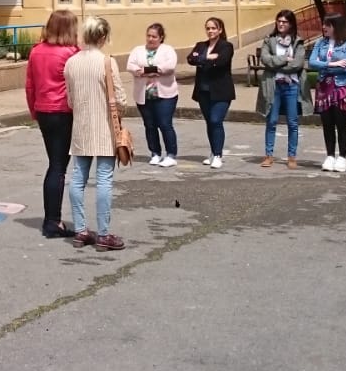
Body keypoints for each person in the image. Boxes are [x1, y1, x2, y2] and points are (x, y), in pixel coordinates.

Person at [63, 16, 128, 251]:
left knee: (78, 178)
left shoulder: (71, 63)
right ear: (102, 37)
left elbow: (70, 100)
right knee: (103, 180)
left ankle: (80, 230)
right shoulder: (107, 62)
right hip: (105, 129)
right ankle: (103, 234)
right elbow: (120, 99)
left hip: (80, 127)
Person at [24, 10, 80, 238]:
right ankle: (53, 221)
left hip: (43, 110)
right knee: (59, 167)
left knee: (54, 164)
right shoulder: (71, 53)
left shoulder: (36, 51)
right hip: (64, 111)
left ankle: (52, 218)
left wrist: (34, 111)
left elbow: (30, 85)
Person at [256, 10, 308, 169]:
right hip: (274, 85)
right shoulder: (269, 40)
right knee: (271, 121)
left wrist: (276, 65)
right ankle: (268, 155)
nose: (281, 24)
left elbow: (297, 64)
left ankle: (291, 157)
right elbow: (265, 59)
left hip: (291, 86)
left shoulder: (297, 42)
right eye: (279, 21)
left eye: (285, 21)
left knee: (292, 122)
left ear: (291, 23)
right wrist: (285, 59)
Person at [307, 14, 346, 172]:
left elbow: (345, 67)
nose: (324, 28)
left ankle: (342, 157)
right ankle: (329, 156)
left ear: (337, 26)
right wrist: (332, 63)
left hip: (341, 87)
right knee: (327, 123)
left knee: (341, 123)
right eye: (324, 24)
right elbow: (311, 62)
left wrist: (324, 66)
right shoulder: (320, 43)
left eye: (328, 25)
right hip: (323, 88)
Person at [127, 22, 180, 167]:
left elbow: (169, 67)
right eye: (148, 36)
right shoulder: (138, 50)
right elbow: (130, 66)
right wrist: (152, 70)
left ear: (161, 37)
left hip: (165, 94)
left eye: (154, 36)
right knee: (149, 125)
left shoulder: (167, 50)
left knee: (164, 124)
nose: (150, 39)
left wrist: (146, 70)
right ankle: (155, 152)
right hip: (144, 95)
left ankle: (171, 154)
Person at [187, 17, 236, 169]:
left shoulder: (226, 46)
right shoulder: (201, 45)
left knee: (216, 120)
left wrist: (202, 59)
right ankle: (213, 152)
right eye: (208, 28)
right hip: (203, 90)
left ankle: (218, 155)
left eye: (214, 28)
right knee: (209, 122)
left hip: (221, 91)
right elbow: (190, 59)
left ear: (220, 30)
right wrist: (207, 57)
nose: (210, 31)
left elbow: (221, 62)